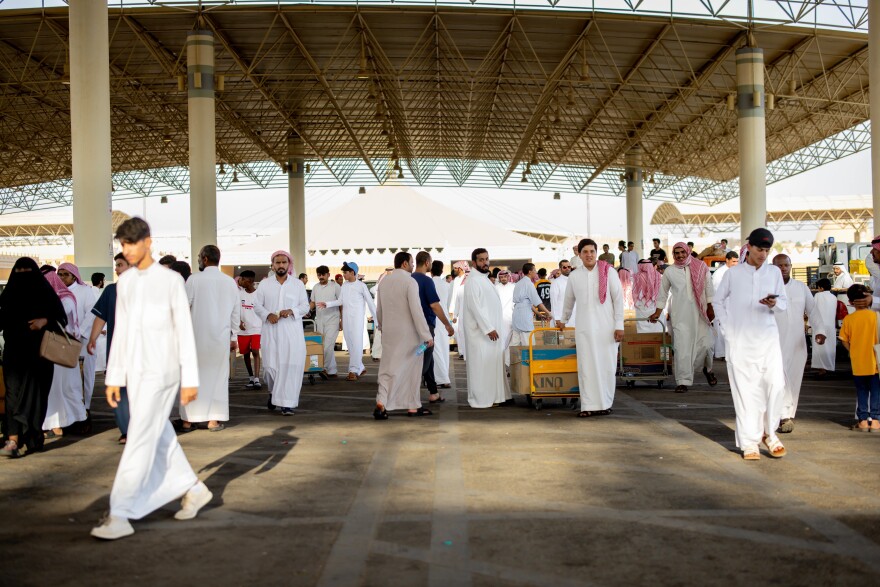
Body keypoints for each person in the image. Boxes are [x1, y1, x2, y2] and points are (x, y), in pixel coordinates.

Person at [92, 218, 211, 540]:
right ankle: (193, 488)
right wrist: (113, 377)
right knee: (157, 435)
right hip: (135, 372)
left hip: (164, 372)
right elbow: (122, 334)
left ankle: (120, 512)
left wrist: (190, 378)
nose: (127, 251)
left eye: (132, 244)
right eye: (123, 246)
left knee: (140, 436)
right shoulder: (125, 284)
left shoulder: (171, 281)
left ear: (148, 242)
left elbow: (184, 331)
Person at [713, 228, 787, 461]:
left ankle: (768, 432)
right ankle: (749, 442)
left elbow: (783, 303)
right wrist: (727, 329)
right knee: (746, 392)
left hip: (768, 339)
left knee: (775, 386)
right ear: (749, 248)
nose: (763, 254)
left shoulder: (774, 272)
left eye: (767, 250)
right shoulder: (733, 274)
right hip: (740, 342)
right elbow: (717, 300)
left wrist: (773, 302)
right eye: (759, 249)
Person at [0, 258, 66, 458]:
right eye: (19, 272)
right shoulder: (7, 296)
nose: (23, 276)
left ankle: (33, 438)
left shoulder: (46, 295)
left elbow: (62, 319)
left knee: (36, 398)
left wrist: (44, 321)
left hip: (40, 357)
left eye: (27, 271)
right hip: (14, 356)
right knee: (12, 396)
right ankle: (13, 439)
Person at [558, 239, 624, 418]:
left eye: (592, 251)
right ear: (579, 255)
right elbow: (568, 302)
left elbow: (618, 299)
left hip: (607, 328)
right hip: (585, 328)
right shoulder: (574, 276)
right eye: (585, 252)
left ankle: (605, 403)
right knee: (586, 366)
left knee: (606, 366)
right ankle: (588, 405)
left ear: (596, 253)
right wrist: (562, 320)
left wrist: (619, 326)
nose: (589, 255)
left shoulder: (608, 272)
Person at [179, 245, 240, 432]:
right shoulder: (229, 282)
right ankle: (214, 420)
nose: (198, 259)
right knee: (218, 379)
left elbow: (183, 308)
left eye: (199, 256)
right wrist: (234, 336)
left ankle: (188, 420)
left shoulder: (194, 280)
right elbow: (235, 313)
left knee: (192, 377)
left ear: (205, 259)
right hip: (220, 338)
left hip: (195, 338)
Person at [373, 252, 433, 419]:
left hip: (389, 333)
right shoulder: (410, 281)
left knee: (387, 368)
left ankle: (381, 402)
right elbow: (417, 311)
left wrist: (383, 327)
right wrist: (426, 335)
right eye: (412, 263)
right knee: (412, 370)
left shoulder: (384, 281)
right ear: (405, 264)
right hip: (409, 336)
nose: (413, 266)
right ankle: (413, 406)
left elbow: (379, 310)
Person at [649, 243, 715, 393]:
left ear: (688, 252)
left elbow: (709, 287)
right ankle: (683, 381)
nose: (680, 255)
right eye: (676, 253)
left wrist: (711, 307)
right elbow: (663, 293)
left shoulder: (701, 267)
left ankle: (707, 369)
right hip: (680, 315)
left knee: (706, 344)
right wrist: (657, 312)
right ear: (673, 255)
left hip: (701, 313)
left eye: (682, 252)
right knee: (681, 348)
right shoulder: (669, 271)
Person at [772, 254, 826, 434]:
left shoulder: (801, 287)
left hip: (797, 342)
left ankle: (786, 414)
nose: (783, 268)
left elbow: (813, 311)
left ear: (791, 266)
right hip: (773, 342)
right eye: (779, 265)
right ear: (773, 267)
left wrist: (819, 331)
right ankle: (781, 415)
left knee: (793, 380)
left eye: (786, 265)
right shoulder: (767, 289)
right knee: (778, 379)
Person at [254, 251, 310, 416]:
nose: (280, 265)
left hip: (291, 333)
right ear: (272, 265)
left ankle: (287, 404)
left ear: (288, 264)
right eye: (277, 262)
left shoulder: (297, 284)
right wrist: (267, 315)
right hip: (271, 332)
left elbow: (305, 306)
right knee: (270, 367)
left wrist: (291, 311)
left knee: (290, 366)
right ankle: (273, 393)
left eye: (283, 262)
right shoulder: (264, 284)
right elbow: (257, 305)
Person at [88, 253, 131, 445]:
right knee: (119, 392)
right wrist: (92, 339)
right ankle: (126, 431)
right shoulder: (111, 291)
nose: (116, 268)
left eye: (120, 264)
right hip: (117, 351)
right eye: (117, 265)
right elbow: (100, 317)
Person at [42, 271, 87, 438]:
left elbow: (60, 315)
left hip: (62, 350)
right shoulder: (57, 297)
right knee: (56, 390)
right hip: (57, 351)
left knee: (66, 389)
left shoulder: (65, 298)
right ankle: (56, 424)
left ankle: (77, 420)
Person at [462, 248, 509, 408]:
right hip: (481, 334)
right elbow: (475, 308)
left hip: (491, 333)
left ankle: (495, 397)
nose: (485, 262)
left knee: (491, 365)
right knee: (481, 367)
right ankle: (481, 399)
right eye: (481, 260)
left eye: (486, 259)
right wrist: (488, 328)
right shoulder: (473, 281)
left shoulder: (483, 279)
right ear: (473, 263)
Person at [317, 262, 377, 381]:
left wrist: (377, 321)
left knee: (356, 344)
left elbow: (370, 303)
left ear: (352, 272)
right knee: (350, 345)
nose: (343, 275)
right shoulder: (344, 286)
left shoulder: (361, 286)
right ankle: (360, 367)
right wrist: (327, 304)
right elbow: (340, 301)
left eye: (345, 272)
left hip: (357, 320)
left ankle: (353, 370)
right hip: (347, 319)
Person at [57, 262, 98, 427]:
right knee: (68, 379)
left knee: (86, 376)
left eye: (65, 274)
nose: (61, 278)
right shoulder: (58, 292)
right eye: (59, 274)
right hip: (63, 341)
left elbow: (91, 313)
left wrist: (79, 332)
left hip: (83, 341)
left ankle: (85, 408)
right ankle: (70, 411)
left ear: (74, 276)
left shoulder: (85, 291)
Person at [411, 251, 455, 404]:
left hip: (411, 327)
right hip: (426, 328)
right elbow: (435, 306)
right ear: (427, 263)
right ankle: (409, 393)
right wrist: (447, 324)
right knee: (424, 358)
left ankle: (433, 392)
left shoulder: (409, 279)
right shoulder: (426, 281)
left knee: (427, 358)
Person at [840, 284, 880, 431]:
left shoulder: (849, 319)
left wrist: (853, 351)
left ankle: (863, 421)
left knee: (861, 391)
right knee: (876, 391)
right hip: (875, 362)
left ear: (850, 302)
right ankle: (875, 421)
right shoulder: (876, 316)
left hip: (858, 363)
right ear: (867, 298)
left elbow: (844, 339)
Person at [310, 265, 342, 379]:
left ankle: (323, 368)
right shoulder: (315, 287)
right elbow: (313, 302)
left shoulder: (335, 286)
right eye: (319, 275)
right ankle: (332, 371)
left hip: (333, 319)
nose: (321, 277)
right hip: (320, 320)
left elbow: (341, 303)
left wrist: (341, 320)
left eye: (323, 274)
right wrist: (306, 311)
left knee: (328, 345)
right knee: (323, 345)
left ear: (328, 274)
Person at [511, 263, 552, 347]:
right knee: (529, 344)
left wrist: (538, 314)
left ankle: (509, 360)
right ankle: (529, 360)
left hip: (516, 315)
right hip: (524, 316)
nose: (536, 272)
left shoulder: (519, 283)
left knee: (514, 344)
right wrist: (549, 313)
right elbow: (538, 302)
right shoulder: (528, 284)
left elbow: (527, 302)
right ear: (530, 272)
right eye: (534, 270)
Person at [237, 270, 262, 389]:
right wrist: (238, 322)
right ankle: (251, 378)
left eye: (242, 279)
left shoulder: (259, 295)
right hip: (243, 330)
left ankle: (257, 379)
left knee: (256, 351)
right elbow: (235, 309)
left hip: (256, 328)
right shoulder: (239, 294)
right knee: (246, 354)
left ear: (249, 281)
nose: (239, 281)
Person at [712, 251, 739, 359]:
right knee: (721, 332)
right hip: (722, 307)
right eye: (733, 261)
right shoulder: (719, 273)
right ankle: (722, 354)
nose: (735, 263)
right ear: (727, 260)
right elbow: (717, 292)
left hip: (733, 307)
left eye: (737, 261)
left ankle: (729, 354)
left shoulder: (735, 271)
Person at [431, 260, 452, 389]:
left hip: (435, 318)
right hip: (445, 319)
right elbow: (447, 304)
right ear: (442, 271)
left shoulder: (430, 283)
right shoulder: (446, 285)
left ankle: (442, 378)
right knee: (444, 349)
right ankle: (444, 376)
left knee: (436, 349)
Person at [811, 278, 838, 376]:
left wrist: (809, 324)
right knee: (829, 346)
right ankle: (829, 366)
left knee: (819, 346)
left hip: (819, 325)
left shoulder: (818, 295)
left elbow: (813, 309)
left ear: (821, 288)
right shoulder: (834, 297)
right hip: (830, 325)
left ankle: (822, 369)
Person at [632, 259, 664, 333]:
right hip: (656, 305)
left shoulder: (638, 276)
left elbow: (635, 292)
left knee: (643, 330)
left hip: (642, 305)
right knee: (657, 328)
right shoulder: (658, 275)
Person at [448, 261, 469, 360]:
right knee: (458, 331)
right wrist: (452, 311)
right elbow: (453, 296)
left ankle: (466, 352)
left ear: (460, 268)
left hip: (466, 310)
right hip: (455, 309)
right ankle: (462, 352)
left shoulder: (467, 278)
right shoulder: (456, 280)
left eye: (455, 268)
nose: (454, 270)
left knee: (465, 332)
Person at [495, 269, 515, 362]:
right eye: (501, 277)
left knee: (510, 339)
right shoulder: (496, 288)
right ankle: (501, 361)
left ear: (508, 277)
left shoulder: (513, 287)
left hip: (511, 316)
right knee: (501, 339)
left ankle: (507, 361)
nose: (503, 278)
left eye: (505, 276)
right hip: (498, 317)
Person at [550, 260, 574, 328]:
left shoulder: (574, 281)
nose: (567, 269)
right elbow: (554, 302)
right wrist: (557, 319)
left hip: (575, 318)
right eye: (564, 267)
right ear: (560, 269)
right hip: (561, 320)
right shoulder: (556, 283)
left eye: (569, 267)